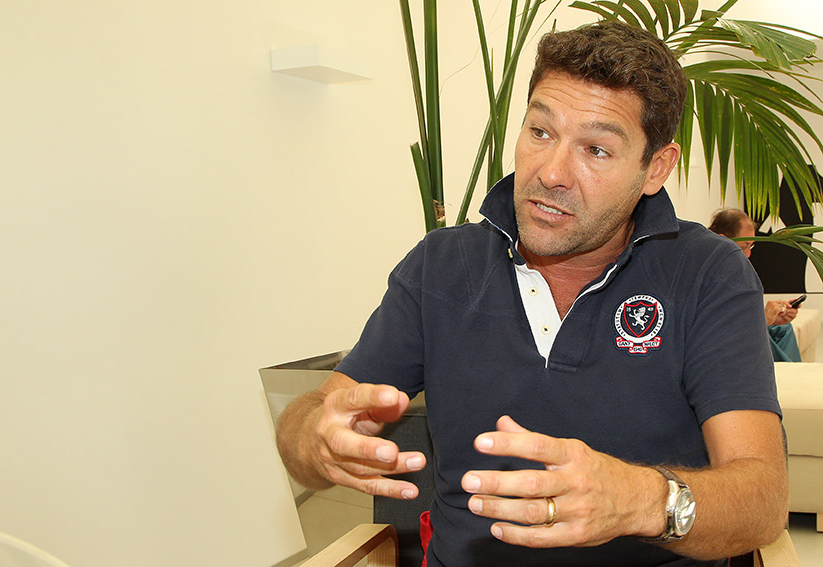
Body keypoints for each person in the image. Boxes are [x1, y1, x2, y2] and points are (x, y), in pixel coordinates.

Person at [276, 21, 788, 567]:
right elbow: (313, 421)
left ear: (655, 169)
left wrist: (638, 501)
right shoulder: (441, 266)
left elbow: (763, 501)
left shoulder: (709, 273)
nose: (551, 172)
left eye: (596, 149)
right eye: (540, 132)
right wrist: (314, 437)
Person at [708, 208, 804, 361]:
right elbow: (721, 329)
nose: (748, 254)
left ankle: (788, 371)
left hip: (741, 333)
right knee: (762, 337)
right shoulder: (706, 273)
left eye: (751, 246)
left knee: (783, 328)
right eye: (745, 246)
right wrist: (763, 319)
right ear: (723, 240)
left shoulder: (733, 269)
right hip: (721, 344)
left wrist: (772, 317)